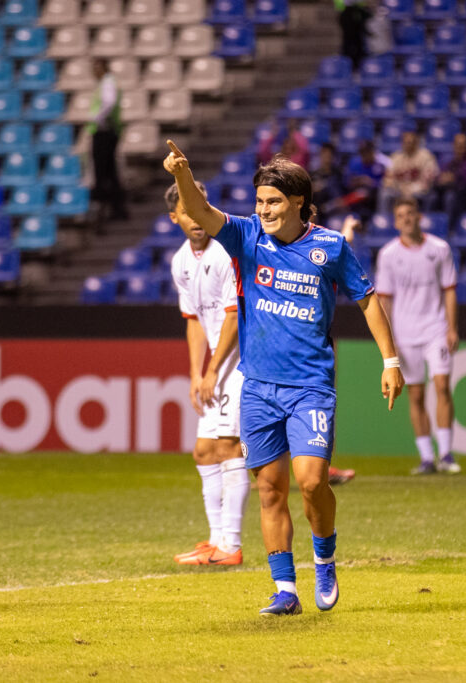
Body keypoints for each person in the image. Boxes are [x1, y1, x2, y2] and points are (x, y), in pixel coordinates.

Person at [163, 140, 404, 617]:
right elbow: (200, 210)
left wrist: (390, 361)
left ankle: (325, 555)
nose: (264, 210)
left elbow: (368, 300)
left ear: (297, 201)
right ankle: (285, 590)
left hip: (311, 385)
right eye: (259, 202)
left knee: (312, 482)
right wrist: (182, 176)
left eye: (273, 201)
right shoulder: (246, 236)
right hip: (258, 389)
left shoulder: (330, 247)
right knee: (270, 489)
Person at [346, 198, 460, 475]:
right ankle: (426, 458)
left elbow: (449, 289)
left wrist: (452, 327)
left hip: (435, 328)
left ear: (419, 217)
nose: (407, 219)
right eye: (401, 215)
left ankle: (446, 454)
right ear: (396, 222)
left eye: (410, 213)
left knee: (443, 386)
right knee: (416, 394)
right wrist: (390, 338)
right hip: (405, 333)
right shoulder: (388, 254)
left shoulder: (439, 249)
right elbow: (384, 299)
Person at [167, 180, 248, 567]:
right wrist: (195, 374)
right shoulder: (181, 261)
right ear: (175, 217)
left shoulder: (224, 252)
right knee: (203, 451)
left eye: (200, 207)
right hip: (215, 365)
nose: (196, 219)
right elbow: (195, 322)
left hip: (240, 361)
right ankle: (215, 539)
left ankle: (230, 545)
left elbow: (234, 315)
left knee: (228, 445)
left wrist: (214, 370)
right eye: (187, 211)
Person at [88, 58, 127, 222]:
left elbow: (109, 103)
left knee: (103, 172)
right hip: (108, 131)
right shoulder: (106, 82)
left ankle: (106, 208)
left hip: (105, 132)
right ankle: (116, 208)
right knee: (110, 171)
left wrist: (97, 119)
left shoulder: (107, 82)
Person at [378, 131, 438, 215]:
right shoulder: (395, 157)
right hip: (399, 190)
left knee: (430, 196)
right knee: (385, 194)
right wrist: (400, 188)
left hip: (418, 191)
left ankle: (424, 223)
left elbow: (428, 180)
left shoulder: (426, 156)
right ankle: (385, 223)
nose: (408, 145)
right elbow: (388, 179)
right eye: (406, 142)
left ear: (416, 143)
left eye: (411, 142)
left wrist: (411, 190)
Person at [434, 133, 466, 228]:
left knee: (449, 197)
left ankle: (448, 228)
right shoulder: (451, 163)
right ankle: (431, 227)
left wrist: (455, 178)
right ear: (453, 146)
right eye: (458, 145)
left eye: (463, 145)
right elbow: (441, 177)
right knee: (432, 197)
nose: (460, 148)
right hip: (448, 192)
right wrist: (441, 180)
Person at [343, 140, 390, 219]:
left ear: (372, 151)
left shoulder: (380, 164)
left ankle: (341, 203)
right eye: (362, 153)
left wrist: (370, 182)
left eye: (367, 152)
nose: (364, 155)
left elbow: (385, 184)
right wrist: (357, 181)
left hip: (374, 196)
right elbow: (346, 182)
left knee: (365, 193)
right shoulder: (354, 163)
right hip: (356, 193)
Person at [311, 143, 345, 216]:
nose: (327, 157)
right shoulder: (313, 175)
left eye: (329, 155)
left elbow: (344, 194)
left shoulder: (339, 174)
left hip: (338, 209)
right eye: (324, 154)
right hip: (319, 212)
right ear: (320, 155)